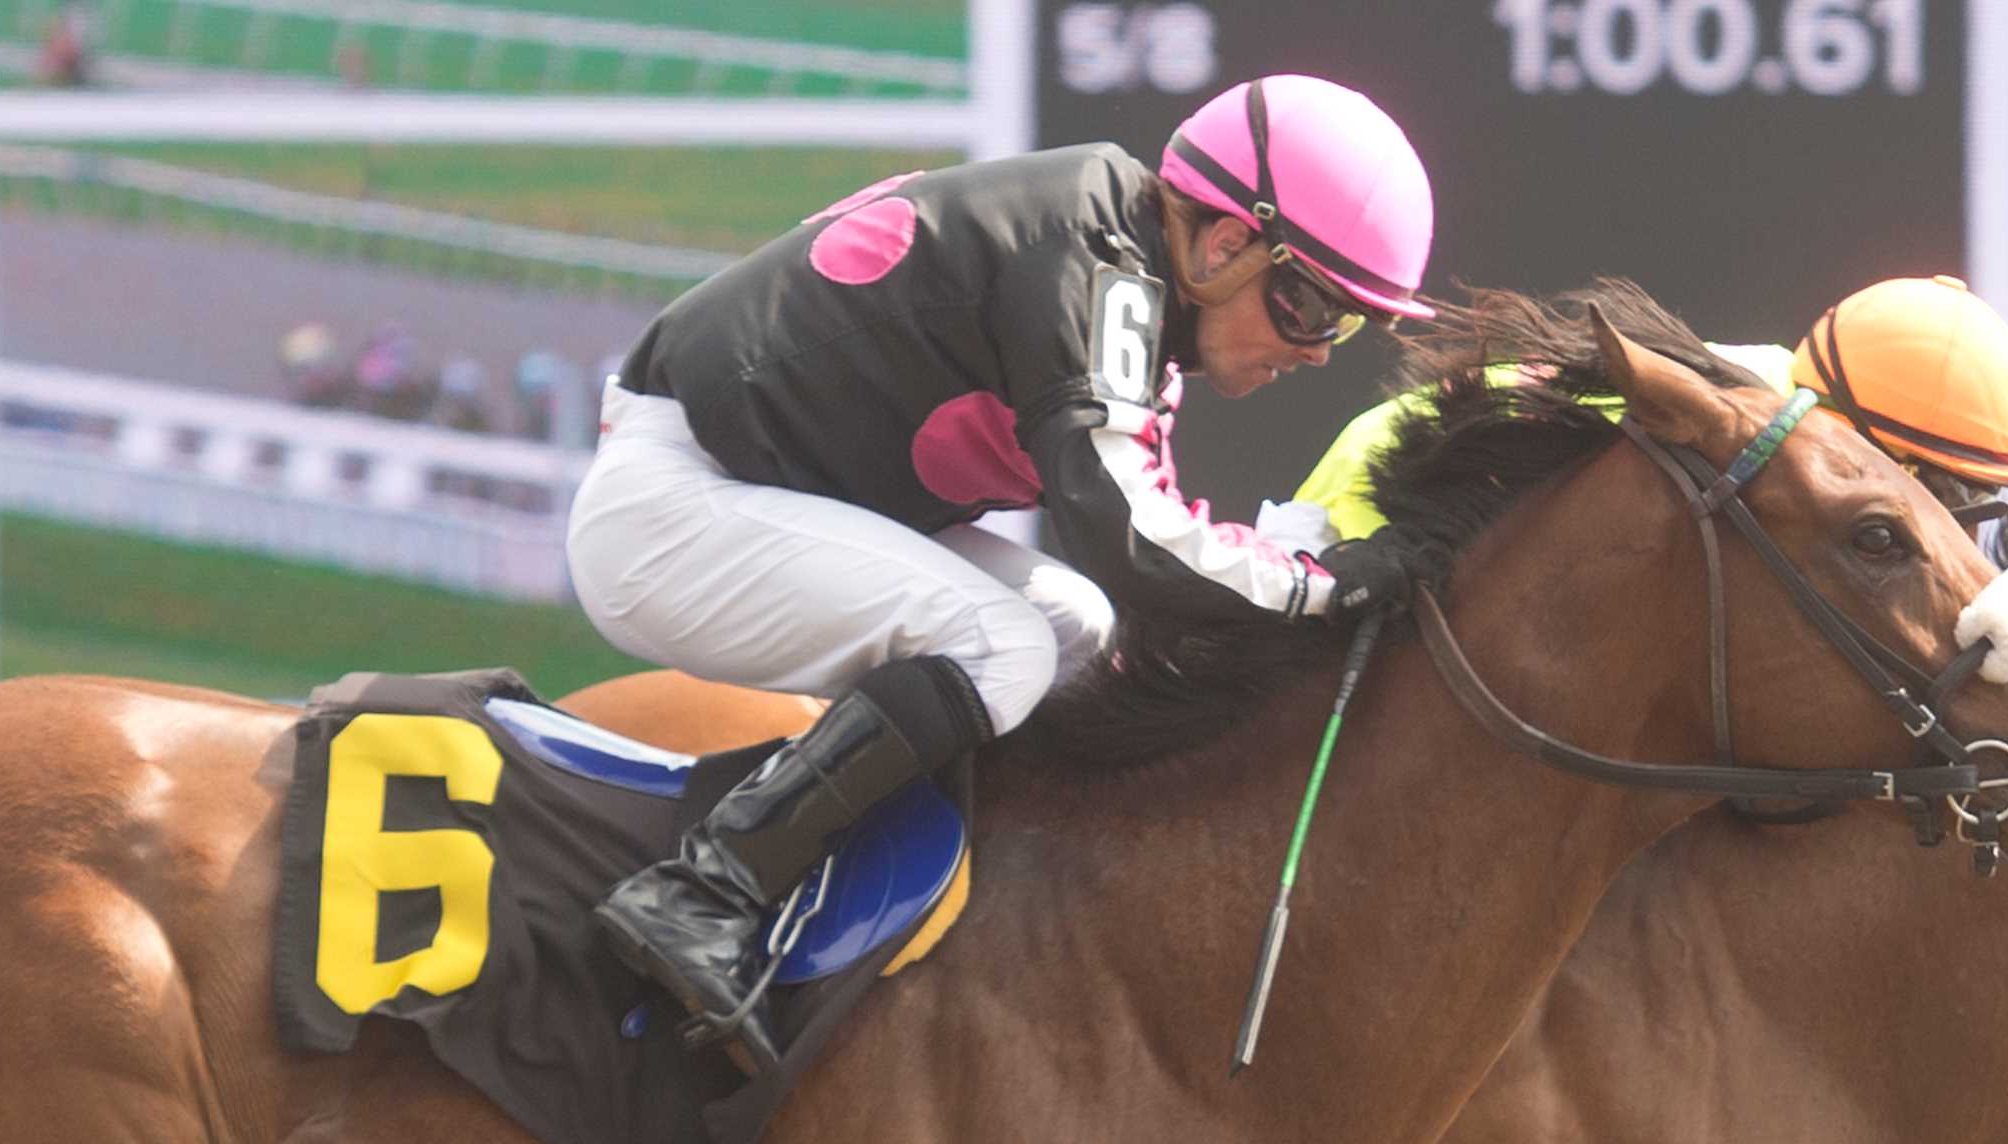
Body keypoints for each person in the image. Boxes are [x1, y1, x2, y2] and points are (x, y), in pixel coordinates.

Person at [569, 74, 1437, 1071]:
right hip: (676, 508)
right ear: (1227, 241)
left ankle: (955, 921)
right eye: (1309, 303)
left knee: (1075, 633)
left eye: (1349, 324)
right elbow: (1139, 539)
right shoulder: (1095, 256)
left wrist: (1288, 581)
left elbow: (1145, 575)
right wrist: (1317, 583)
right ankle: (705, 890)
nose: (1320, 350)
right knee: (1007, 644)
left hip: (741, 492)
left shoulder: (1128, 279)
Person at [1285, 273, 2008, 553]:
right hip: (1375, 514)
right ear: (1889, 455)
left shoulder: (1782, 403)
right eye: (1952, 494)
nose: (1957, 519)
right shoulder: (1745, 435)